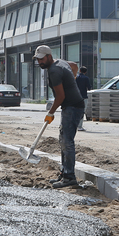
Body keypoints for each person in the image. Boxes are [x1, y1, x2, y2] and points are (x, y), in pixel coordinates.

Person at [34, 45, 85, 189]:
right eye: (38, 60)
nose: (40, 62)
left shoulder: (54, 71)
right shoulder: (60, 62)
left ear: (49, 56)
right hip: (73, 106)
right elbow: (74, 66)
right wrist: (72, 79)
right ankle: (64, 173)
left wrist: (50, 113)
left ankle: (69, 177)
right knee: (64, 140)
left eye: (42, 59)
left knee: (67, 142)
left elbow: (60, 96)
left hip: (72, 107)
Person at [75, 65, 91, 131]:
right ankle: (80, 126)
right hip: (84, 96)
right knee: (82, 111)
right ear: (85, 72)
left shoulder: (76, 78)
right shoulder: (86, 78)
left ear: (79, 71)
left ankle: (74, 125)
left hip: (76, 97)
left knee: (75, 111)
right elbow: (89, 88)